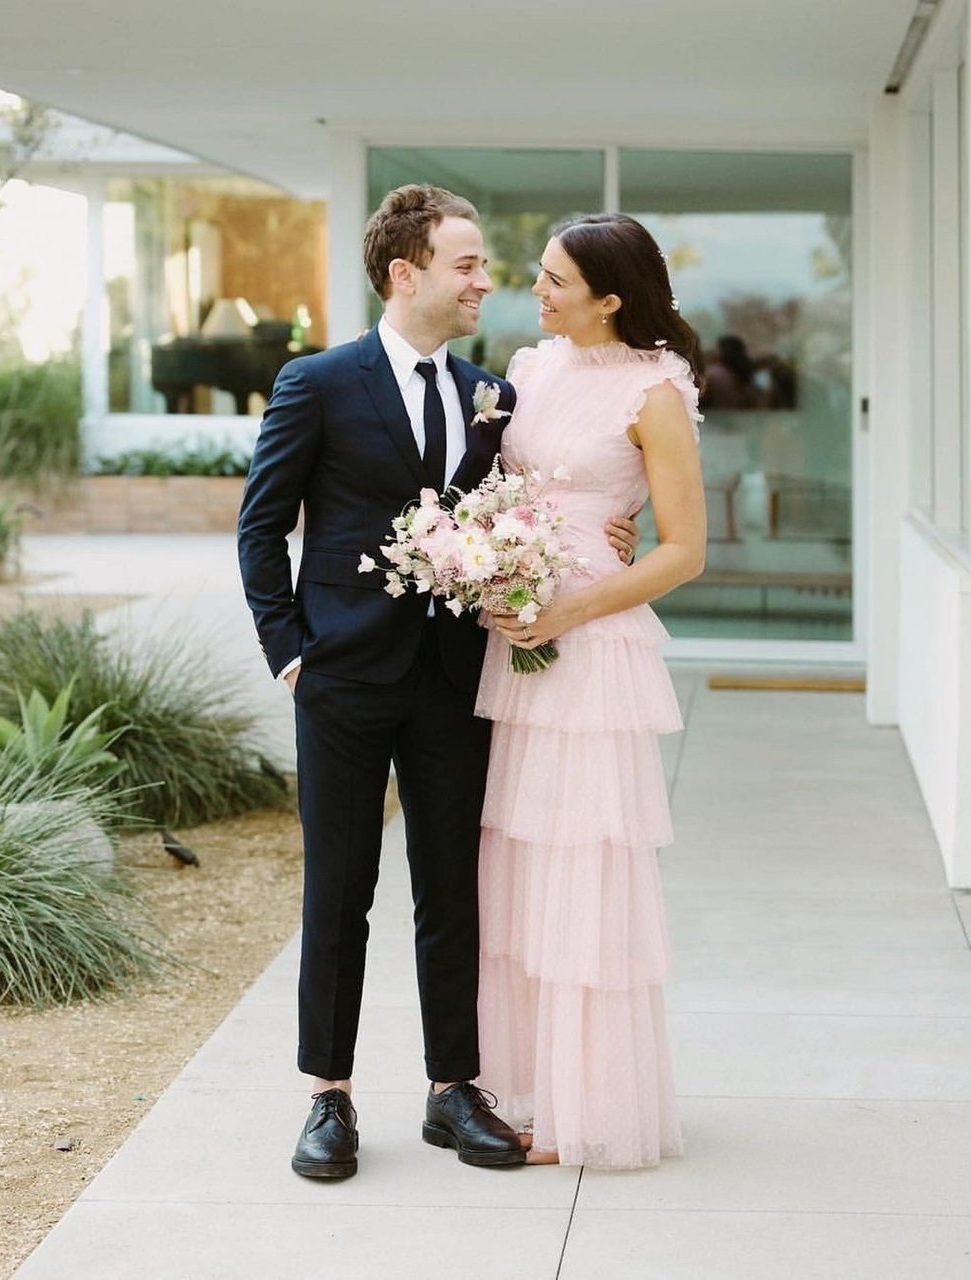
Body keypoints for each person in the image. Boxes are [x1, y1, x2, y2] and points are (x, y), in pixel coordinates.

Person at [237, 185, 638, 1180]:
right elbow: (260, 526)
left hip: (459, 676)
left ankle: (451, 1088)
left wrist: (609, 534)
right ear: (402, 272)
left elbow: (542, 496)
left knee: (452, 889)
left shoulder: (490, 394)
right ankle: (326, 1093)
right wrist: (290, 649)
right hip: (341, 676)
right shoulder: (316, 381)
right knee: (340, 889)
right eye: (466, 263)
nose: (485, 280)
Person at [477, 213, 707, 1170]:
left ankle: (586, 1110)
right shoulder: (531, 369)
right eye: (539, 275)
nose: (538, 292)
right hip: (514, 631)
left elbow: (685, 552)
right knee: (517, 863)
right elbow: (490, 482)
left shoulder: (656, 391)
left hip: (587, 643)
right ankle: (516, 1090)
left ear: (612, 300)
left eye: (557, 281)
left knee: (582, 863)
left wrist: (569, 609)